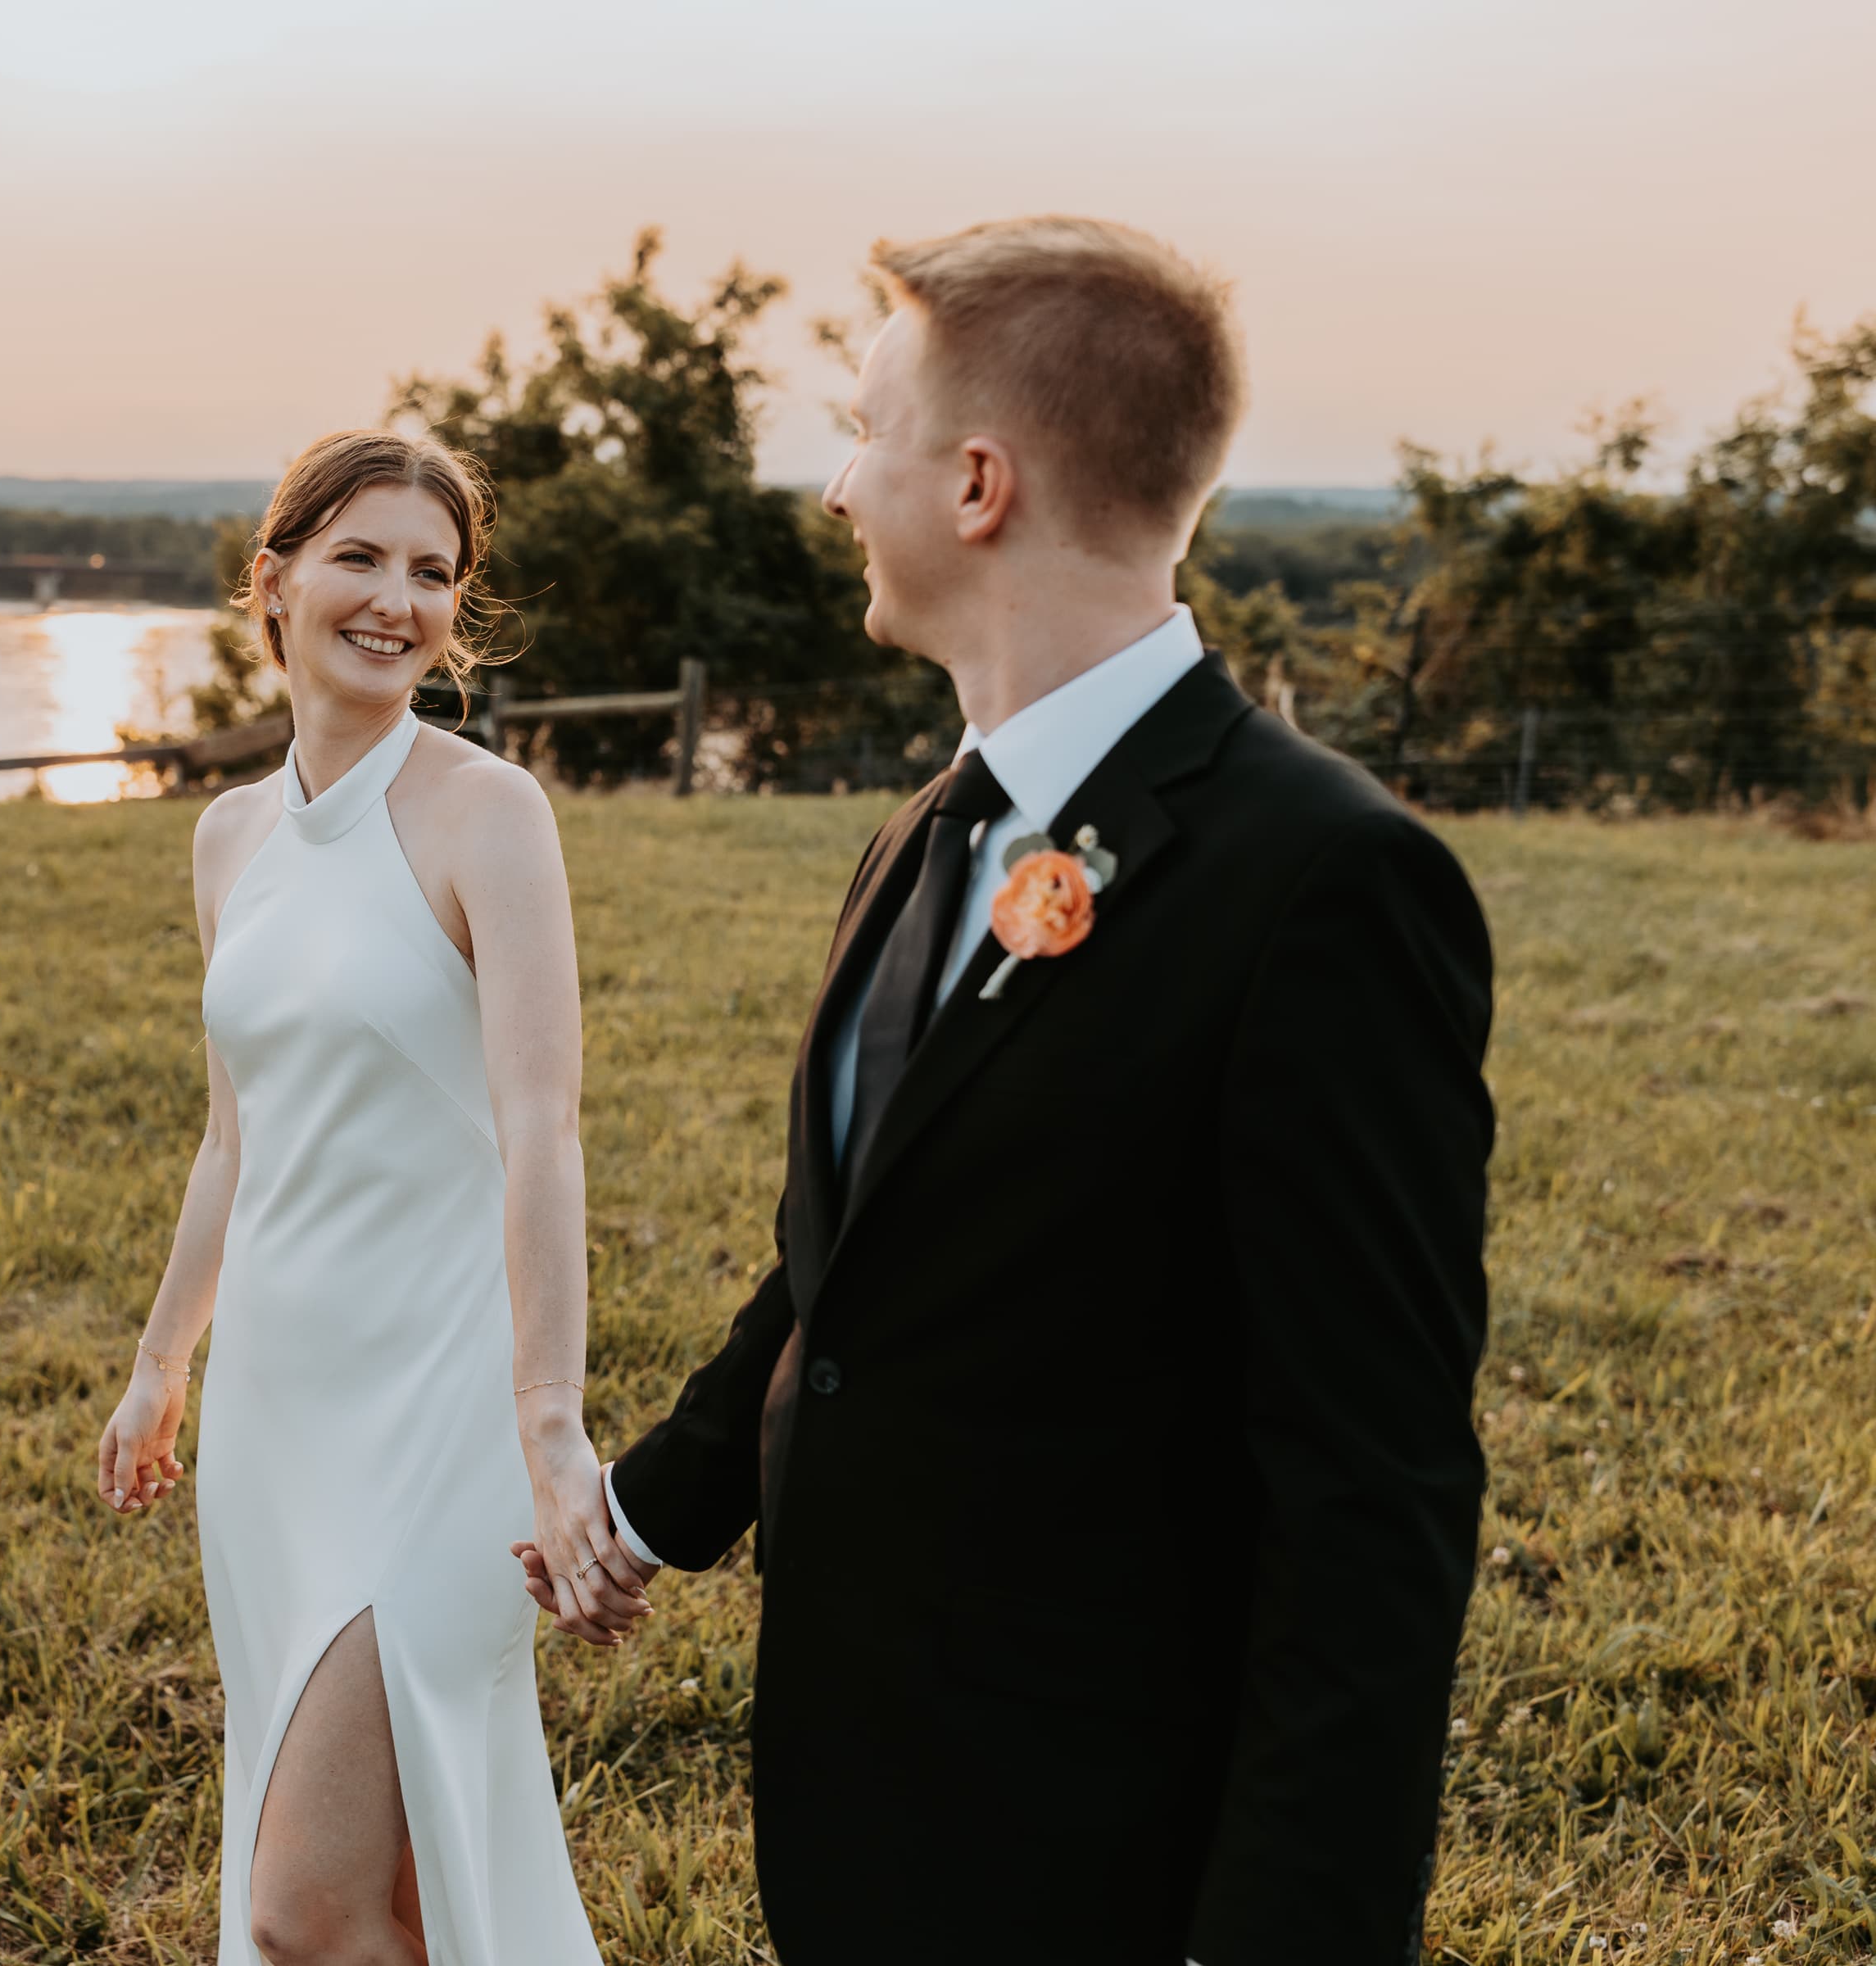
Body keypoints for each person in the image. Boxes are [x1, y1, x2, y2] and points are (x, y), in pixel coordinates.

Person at [522, 217, 1495, 1965]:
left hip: (1106, 1844)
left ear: (978, 482)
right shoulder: (926, 829)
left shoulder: (1325, 882)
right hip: (869, 1796)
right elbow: (861, 1248)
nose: (833, 488)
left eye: (861, 430)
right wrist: (659, 1505)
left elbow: (1377, 1496)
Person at [94, 430, 638, 1966]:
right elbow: (233, 1139)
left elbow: (544, 1133)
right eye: (361, 558)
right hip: (276, 1420)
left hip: (439, 1420)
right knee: (391, 1899)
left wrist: (549, 1422)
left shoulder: (489, 816)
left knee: (303, 1909)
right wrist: (160, 1363)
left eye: (433, 572)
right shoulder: (230, 840)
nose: (397, 600)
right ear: (272, 582)